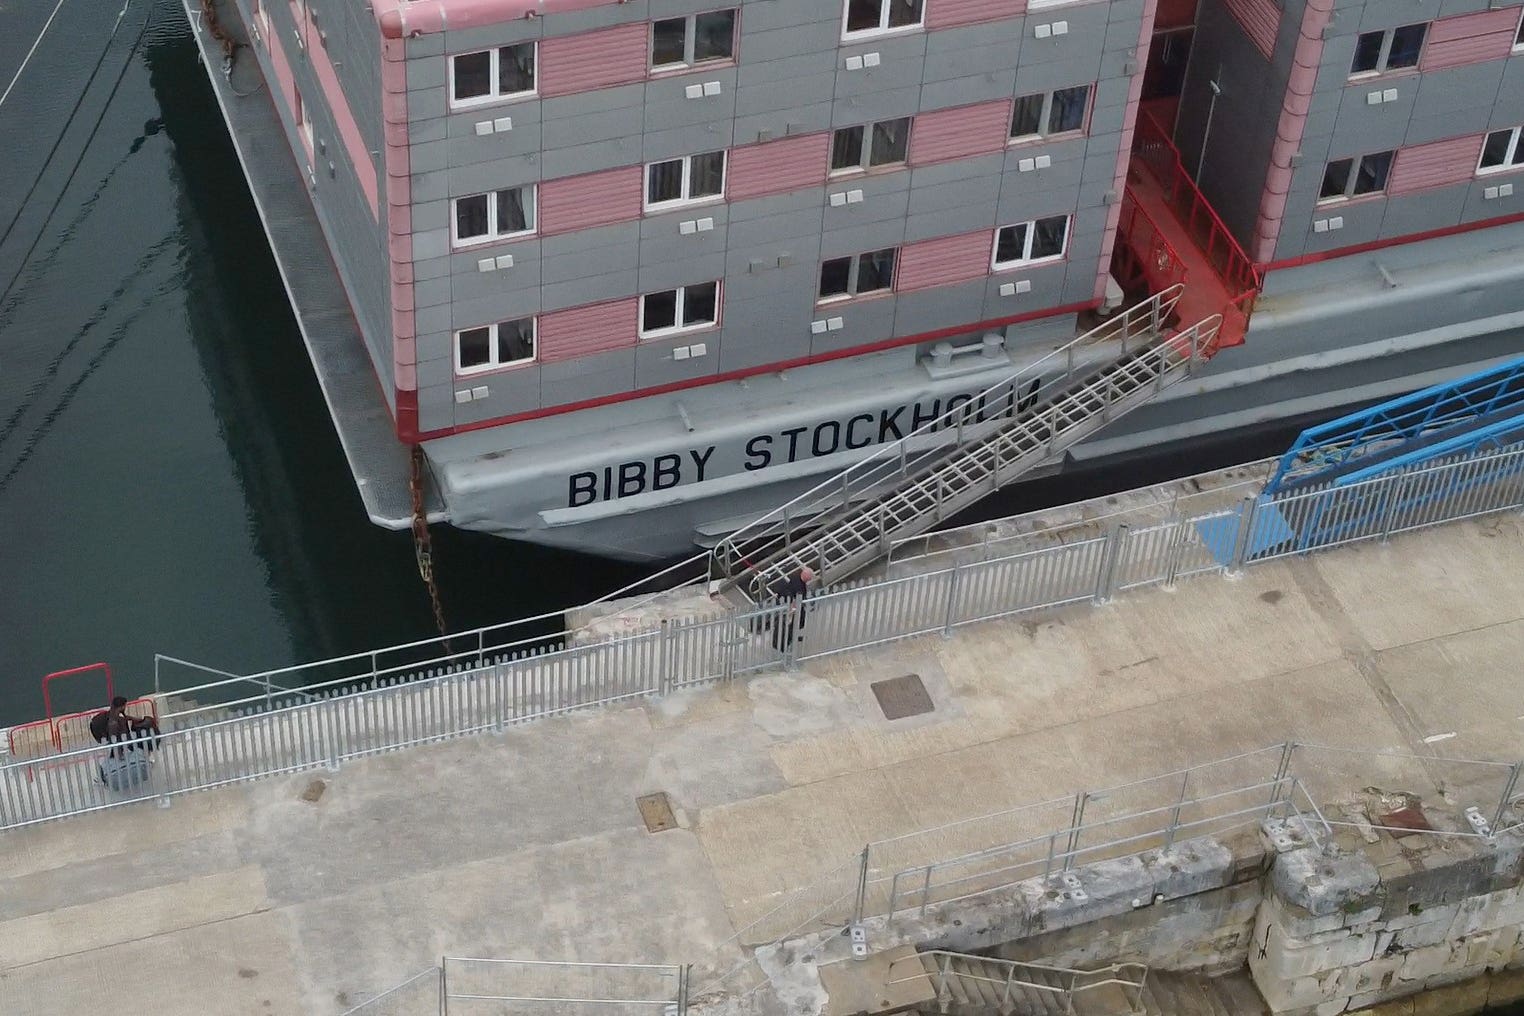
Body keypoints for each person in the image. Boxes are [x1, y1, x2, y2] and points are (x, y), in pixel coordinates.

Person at [768, 566, 814, 653]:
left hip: (791, 602)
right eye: (809, 578)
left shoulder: (797, 577)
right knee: (792, 624)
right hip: (790, 604)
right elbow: (795, 599)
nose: (809, 580)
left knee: (798, 622)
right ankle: (786, 642)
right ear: (806, 576)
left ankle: (791, 636)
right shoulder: (799, 585)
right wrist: (792, 611)